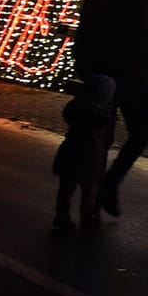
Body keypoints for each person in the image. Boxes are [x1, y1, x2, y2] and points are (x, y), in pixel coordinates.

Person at [73, 0, 148, 217]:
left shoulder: (147, 0)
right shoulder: (100, 0)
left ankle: (108, 185)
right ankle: (90, 199)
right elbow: (85, 39)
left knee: (141, 133)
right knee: (100, 137)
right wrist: (89, 74)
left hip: (134, 75)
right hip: (106, 76)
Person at [52, 74, 118, 232]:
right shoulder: (101, 112)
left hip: (75, 151)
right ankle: (85, 215)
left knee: (69, 186)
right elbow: (105, 133)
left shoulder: (80, 106)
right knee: (87, 187)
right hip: (89, 153)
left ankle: (64, 214)